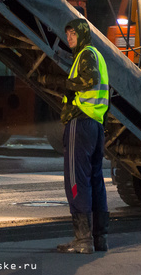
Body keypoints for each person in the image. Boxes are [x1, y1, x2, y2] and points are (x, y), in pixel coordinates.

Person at [57, 18, 110, 254]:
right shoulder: (98, 55)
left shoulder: (86, 55)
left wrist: (68, 84)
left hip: (81, 122)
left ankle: (82, 239)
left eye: (73, 34)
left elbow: (91, 80)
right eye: (67, 34)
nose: (69, 38)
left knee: (76, 180)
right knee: (96, 181)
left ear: (83, 34)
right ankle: (99, 239)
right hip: (96, 125)